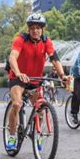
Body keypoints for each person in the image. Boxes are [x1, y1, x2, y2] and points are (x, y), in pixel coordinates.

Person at [6, 13, 67, 151]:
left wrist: (63, 75)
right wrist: (18, 73)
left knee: (39, 108)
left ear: (42, 29)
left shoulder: (46, 42)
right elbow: (12, 57)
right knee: (16, 104)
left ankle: (37, 133)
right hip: (18, 77)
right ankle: (11, 135)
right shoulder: (20, 39)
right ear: (28, 29)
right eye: (32, 27)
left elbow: (55, 59)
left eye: (38, 28)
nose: (35, 30)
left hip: (35, 79)